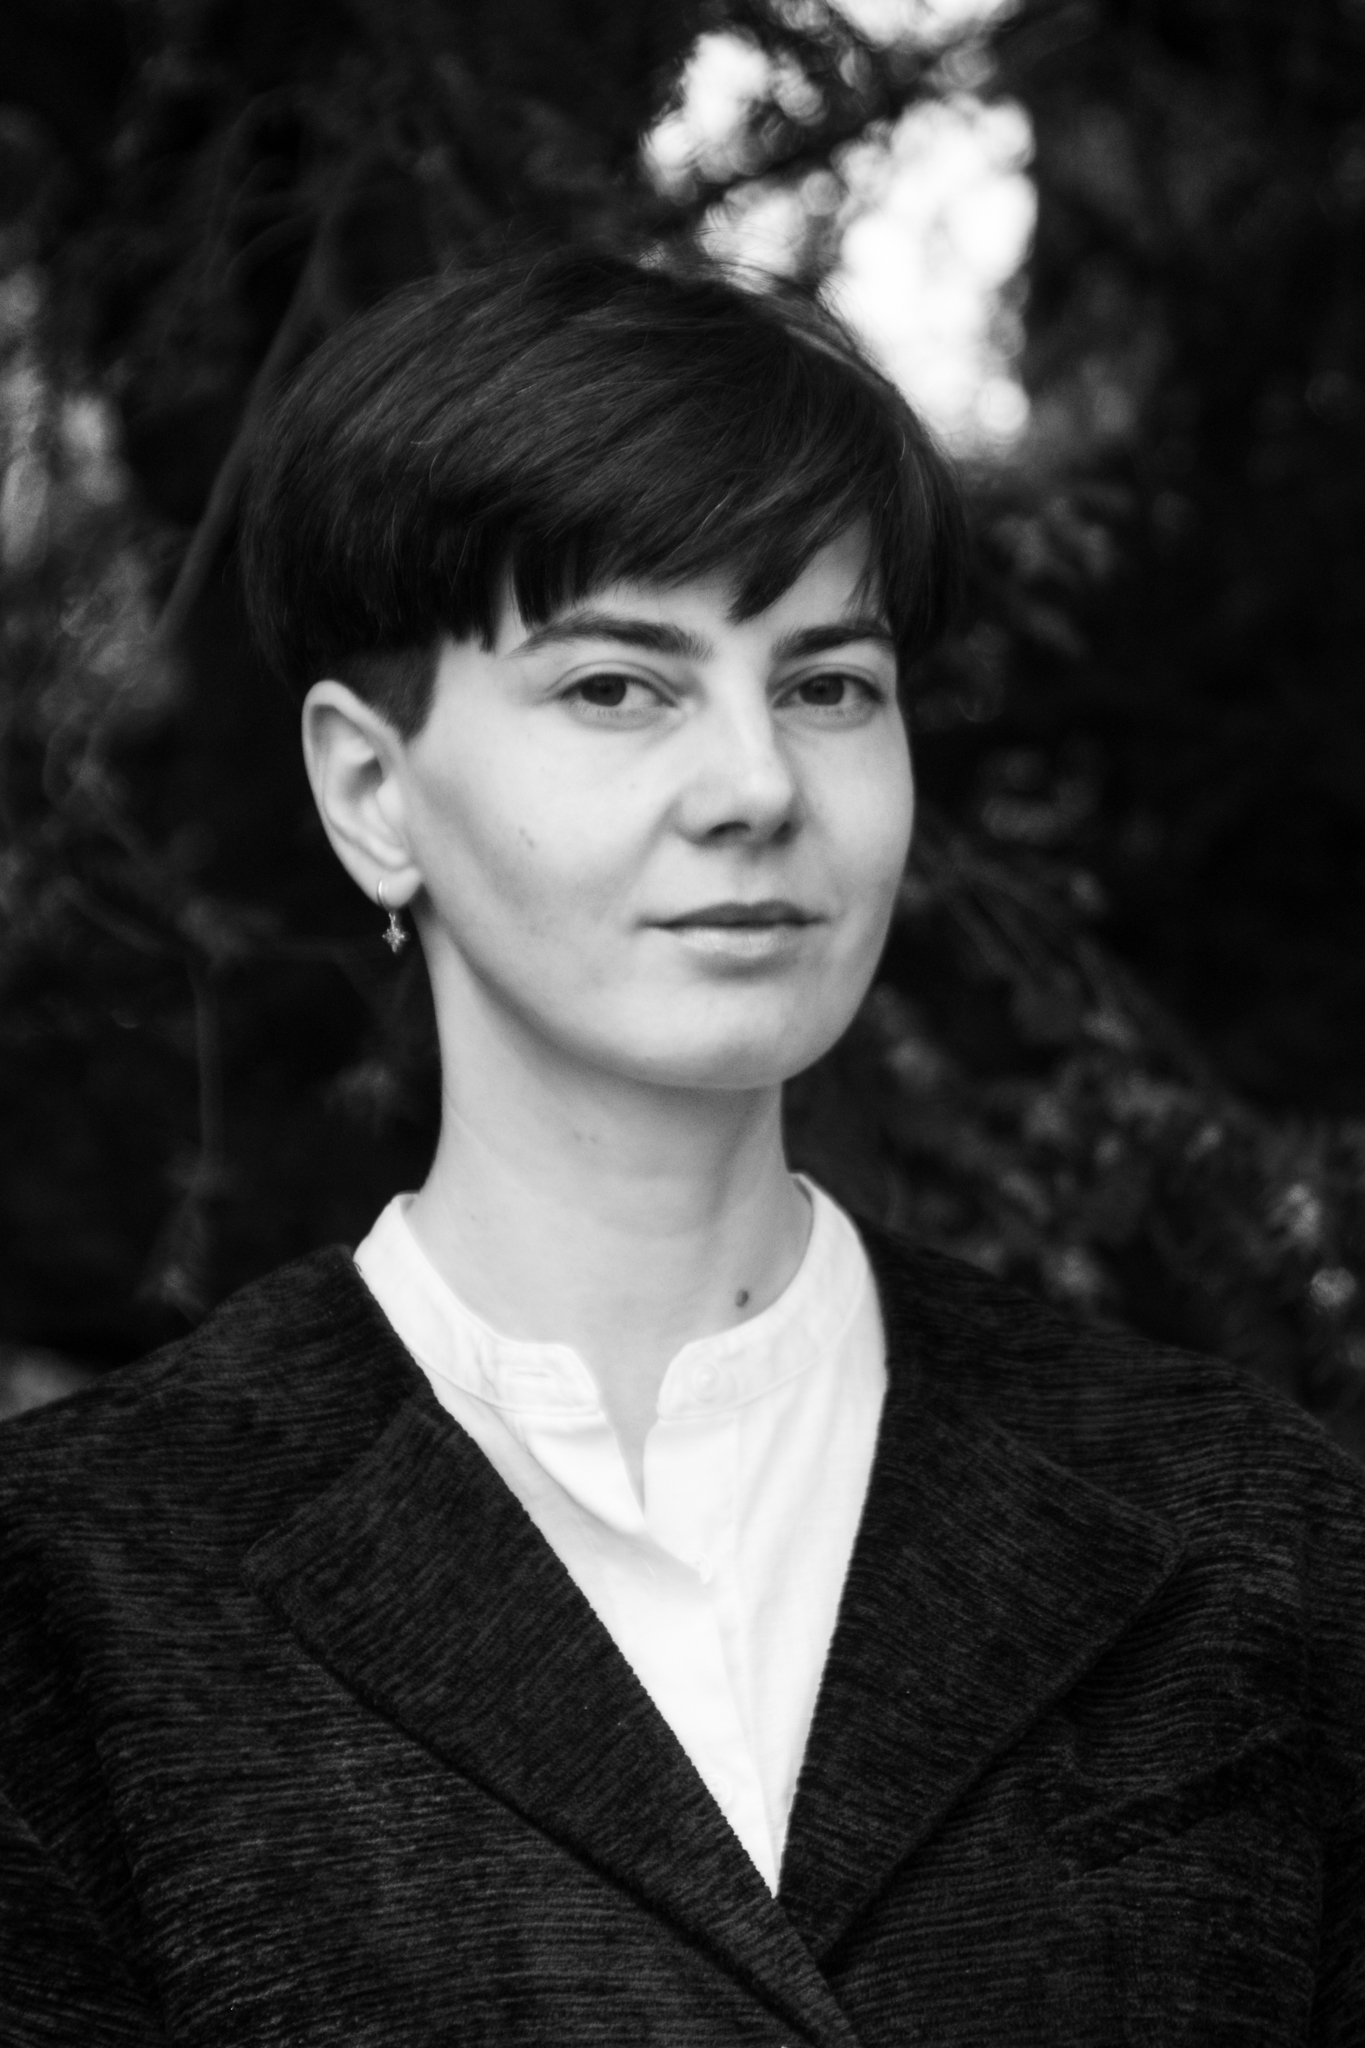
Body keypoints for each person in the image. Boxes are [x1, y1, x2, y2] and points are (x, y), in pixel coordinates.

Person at [1, 248, 1362, 2048]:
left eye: (827, 685)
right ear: (371, 791)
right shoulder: (79, 1592)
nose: (756, 785)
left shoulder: (1241, 1533)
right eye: (616, 688)